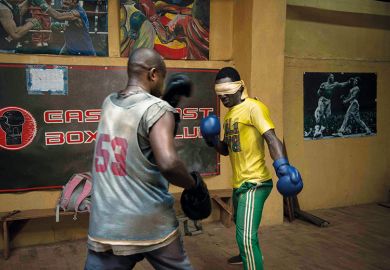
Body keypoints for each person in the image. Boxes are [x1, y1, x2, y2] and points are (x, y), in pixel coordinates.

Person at [85, 48, 201, 270]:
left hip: (106, 224)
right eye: (162, 78)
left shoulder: (109, 103)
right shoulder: (158, 110)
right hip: (150, 222)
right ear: (154, 74)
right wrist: (194, 184)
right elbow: (168, 163)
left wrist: (164, 104)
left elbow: (138, 133)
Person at [200, 67, 302, 270]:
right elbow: (227, 150)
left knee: (246, 236)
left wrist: (282, 167)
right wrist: (212, 140)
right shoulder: (229, 117)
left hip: (255, 183)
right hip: (239, 184)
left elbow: (271, 138)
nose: (224, 97)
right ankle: (244, 254)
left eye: (227, 92)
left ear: (239, 88)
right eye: (220, 94)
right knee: (241, 225)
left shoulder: (254, 108)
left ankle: (249, 255)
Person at [313, 73, 352, 138]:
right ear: (328, 77)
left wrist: (348, 82)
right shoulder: (323, 84)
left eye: (333, 76)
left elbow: (341, 84)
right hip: (322, 100)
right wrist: (320, 90)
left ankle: (320, 131)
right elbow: (318, 94)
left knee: (328, 116)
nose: (333, 78)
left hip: (328, 101)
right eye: (331, 76)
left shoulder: (335, 84)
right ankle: (316, 131)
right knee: (321, 113)